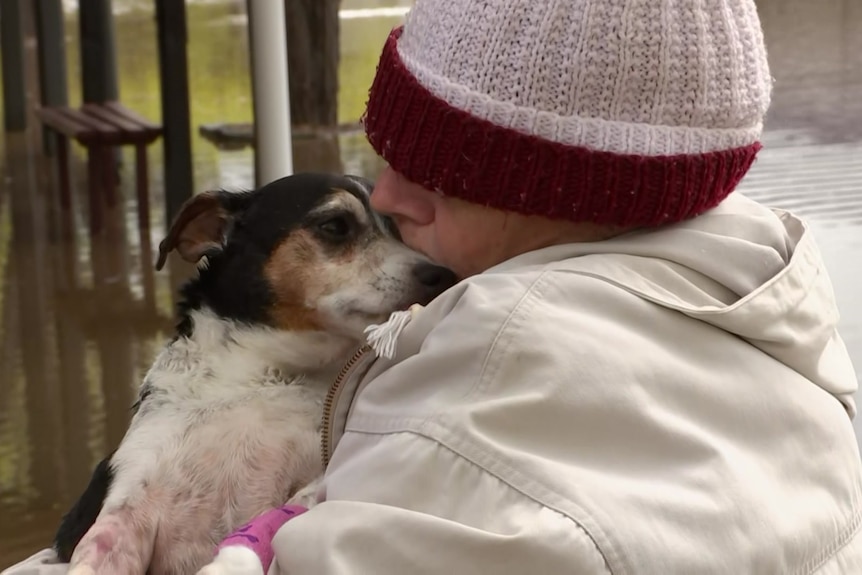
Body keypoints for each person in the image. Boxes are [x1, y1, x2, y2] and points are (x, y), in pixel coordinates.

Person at [5, 0, 861, 573]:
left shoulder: (483, 399)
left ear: (572, 191)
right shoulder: (794, 343)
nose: (388, 196)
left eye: (438, 171)